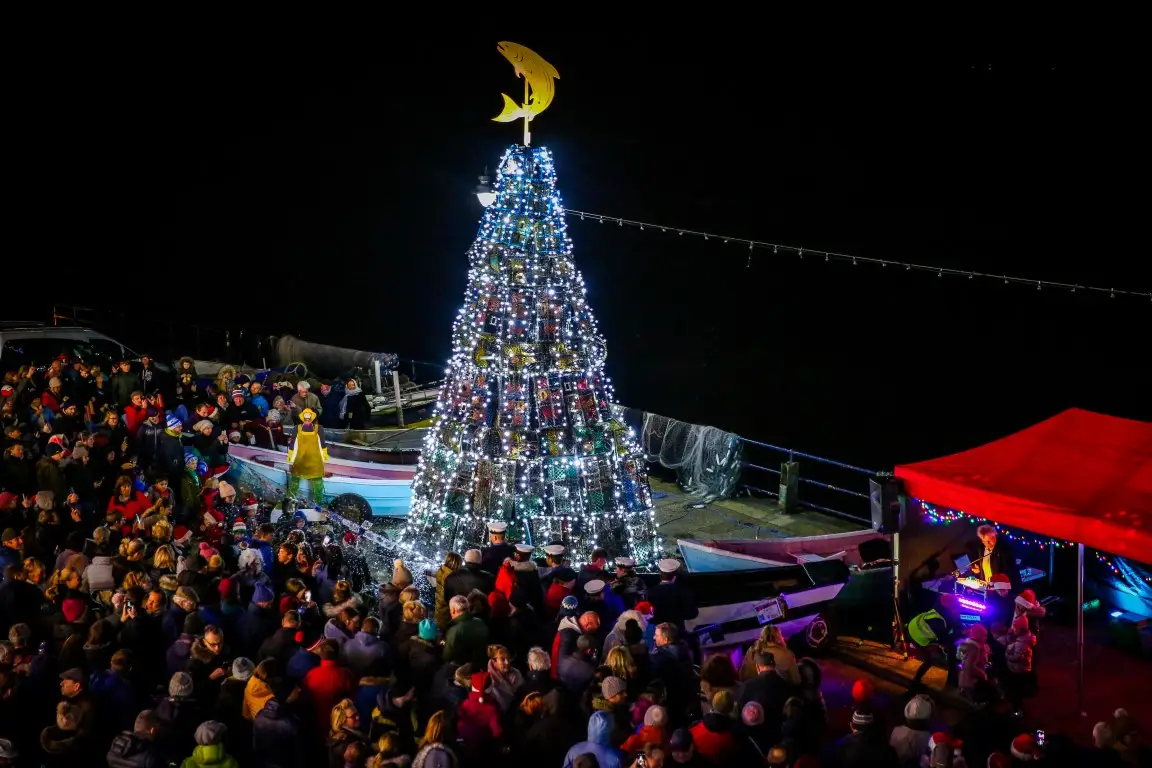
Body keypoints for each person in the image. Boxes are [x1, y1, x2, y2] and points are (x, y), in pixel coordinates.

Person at [907, 593, 961, 689]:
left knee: (945, 651)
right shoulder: (938, 620)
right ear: (949, 607)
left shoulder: (939, 611)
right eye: (955, 607)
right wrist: (962, 633)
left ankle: (916, 680)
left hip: (914, 628)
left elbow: (951, 625)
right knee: (931, 660)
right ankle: (916, 682)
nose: (958, 609)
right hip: (917, 636)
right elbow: (944, 639)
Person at [285, 408, 327, 504]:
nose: (307, 419)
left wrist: (324, 456)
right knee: (294, 482)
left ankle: (319, 504)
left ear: (312, 417)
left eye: (309, 417)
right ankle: (290, 502)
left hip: (315, 461)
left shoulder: (319, 428)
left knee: (318, 484)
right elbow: (292, 445)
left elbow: (322, 444)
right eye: (305, 416)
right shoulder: (297, 428)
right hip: (300, 460)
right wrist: (291, 458)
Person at [969, 525, 1021, 593]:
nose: (989, 544)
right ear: (982, 540)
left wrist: (999, 587)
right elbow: (985, 567)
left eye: (991, 540)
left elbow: (1009, 571)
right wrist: (978, 570)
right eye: (985, 541)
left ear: (995, 536)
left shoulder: (1004, 549)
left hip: (1000, 590)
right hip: (987, 588)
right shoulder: (981, 549)